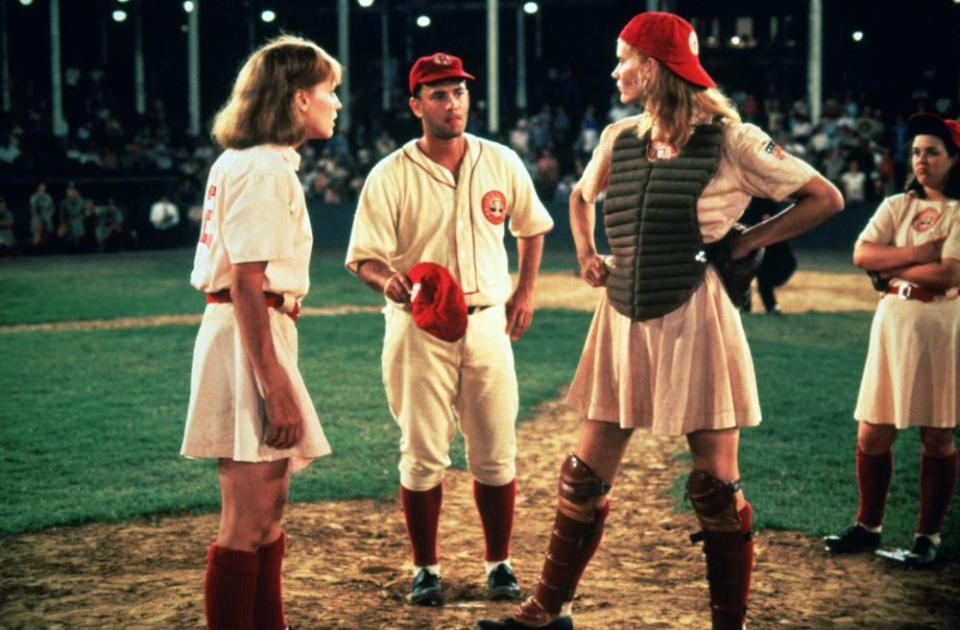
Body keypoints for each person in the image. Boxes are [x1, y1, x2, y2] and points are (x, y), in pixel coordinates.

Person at [478, 12, 843, 630]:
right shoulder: (618, 136)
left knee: (714, 488)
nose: (616, 69)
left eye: (624, 58)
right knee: (582, 477)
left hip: (694, 314)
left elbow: (824, 198)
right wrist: (590, 252)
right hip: (621, 313)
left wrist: (747, 239)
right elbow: (577, 196)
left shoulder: (733, 138)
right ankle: (548, 609)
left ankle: (729, 622)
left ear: (652, 66)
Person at [345, 52, 554, 607]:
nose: (452, 101)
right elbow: (362, 258)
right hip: (419, 328)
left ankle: (500, 565)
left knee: (495, 452)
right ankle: (425, 568)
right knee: (421, 453)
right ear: (416, 105)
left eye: (458, 91)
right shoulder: (389, 174)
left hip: (487, 323)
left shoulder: (501, 160)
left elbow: (532, 227)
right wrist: (387, 281)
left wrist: (526, 291)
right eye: (438, 93)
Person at [180, 35, 341, 630]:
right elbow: (248, 283)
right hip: (249, 332)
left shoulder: (256, 161)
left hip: (257, 329)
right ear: (299, 98)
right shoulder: (261, 167)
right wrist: (274, 386)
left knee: (269, 510)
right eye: (329, 91)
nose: (336, 103)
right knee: (246, 521)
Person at [824, 113, 959, 568]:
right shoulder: (896, 205)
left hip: (942, 323)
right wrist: (919, 255)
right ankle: (868, 526)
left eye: (933, 152)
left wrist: (889, 266)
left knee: (937, 436)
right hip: (893, 322)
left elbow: (950, 273)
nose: (922, 160)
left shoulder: (958, 210)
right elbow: (862, 253)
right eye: (917, 151)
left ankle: (927, 537)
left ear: (953, 158)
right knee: (873, 431)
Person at [29, 181, 56, 250]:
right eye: (41, 187)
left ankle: (44, 247)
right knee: (37, 229)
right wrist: (37, 216)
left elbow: (52, 207)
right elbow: (33, 208)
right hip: (37, 216)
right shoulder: (34, 196)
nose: (42, 189)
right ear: (38, 188)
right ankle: (35, 246)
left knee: (46, 231)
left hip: (46, 216)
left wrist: (50, 214)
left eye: (44, 187)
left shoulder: (48, 197)